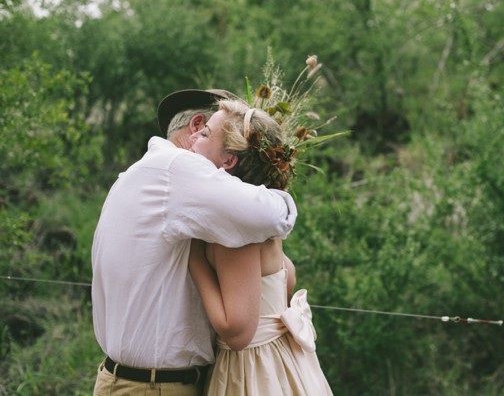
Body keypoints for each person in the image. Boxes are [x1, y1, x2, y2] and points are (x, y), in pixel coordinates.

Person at [91, 89, 297, 396]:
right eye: (204, 131)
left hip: (141, 381)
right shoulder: (176, 168)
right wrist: (281, 195)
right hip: (154, 386)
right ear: (196, 125)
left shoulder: (146, 174)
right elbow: (271, 216)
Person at [187, 98, 333, 395]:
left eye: (204, 135)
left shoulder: (235, 226)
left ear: (228, 161)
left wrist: (194, 259)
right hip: (287, 361)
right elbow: (286, 278)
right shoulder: (262, 215)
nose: (193, 137)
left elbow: (234, 328)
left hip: (251, 370)